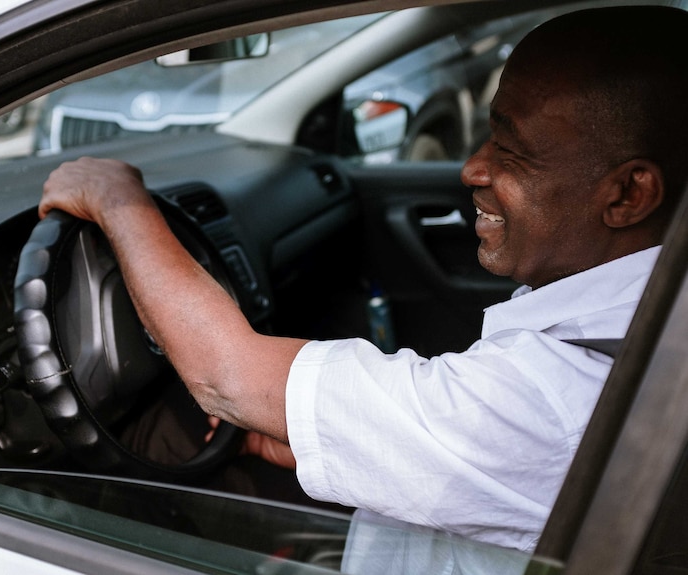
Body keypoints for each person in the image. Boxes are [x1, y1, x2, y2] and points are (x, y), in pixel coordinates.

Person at [39, 5, 688, 555]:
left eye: (511, 151)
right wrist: (341, 440)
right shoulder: (643, 333)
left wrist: (117, 201)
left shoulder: (554, 398)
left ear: (629, 194)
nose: (471, 169)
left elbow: (223, 377)